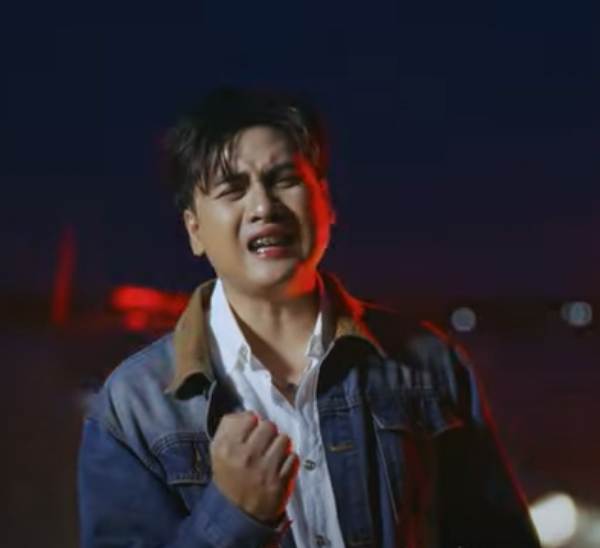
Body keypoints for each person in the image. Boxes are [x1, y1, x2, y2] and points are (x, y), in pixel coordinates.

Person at [77, 87, 541, 548]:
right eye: (232, 189)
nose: (263, 207)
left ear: (326, 202)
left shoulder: (425, 362)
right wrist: (234, 516)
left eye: (284, 180)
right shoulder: (135, 405)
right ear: (194, 229)